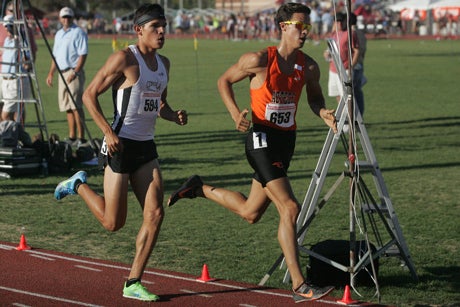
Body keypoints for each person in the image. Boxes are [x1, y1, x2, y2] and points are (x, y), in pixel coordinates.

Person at [167, 2, 337, 303]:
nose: (305, 32)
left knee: (250, 212)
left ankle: (197, 188)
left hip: (286, 141)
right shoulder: (258, 59)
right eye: (300, 26)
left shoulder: (309, 66)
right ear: (283, 27)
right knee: (290, 208)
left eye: (308, 27)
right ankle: (299, 285)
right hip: (260, 138)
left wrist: (322, 111)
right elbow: (224, 81)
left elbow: (314, 97)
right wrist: (235, 114)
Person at [53, 3, 188, 302]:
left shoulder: (165, 64)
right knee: (113, 223)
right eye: (156, 27)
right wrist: (108, 132)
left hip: (146, 148)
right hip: (120, 145)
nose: (163, 31)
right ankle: (78, 184)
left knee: (154, 213)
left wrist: (173, 115)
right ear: (139, 30)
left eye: (164, 25)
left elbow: (158, 104)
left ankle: (133, 282)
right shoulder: (124, 58)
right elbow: (89, 95)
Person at [46, 7, 87, 147]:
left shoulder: (78, 32)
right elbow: (55, 56)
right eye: (64, 17)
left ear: (72, 17)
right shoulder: (58, 34)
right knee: (67, 107)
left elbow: (83, 54)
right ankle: (72, 136)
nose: (66, 19)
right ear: (60, 18)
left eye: (68, 17)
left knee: (76, 106)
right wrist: (51, 73)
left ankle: (81, 138)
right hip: (61, 73)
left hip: (73, 72)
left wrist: (75, 72)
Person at [324, 12, 360, 103]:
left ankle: (350, 116)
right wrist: (326, 54)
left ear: (339, 23)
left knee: (347, 96)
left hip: (345, 69)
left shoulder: (350, 34)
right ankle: (343, 116)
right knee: (337, 94)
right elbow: (329, 49)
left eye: (335, 22)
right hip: (333, 69)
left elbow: (356, 50)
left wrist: (351, 66)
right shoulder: (334, 34)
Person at [350, 13, 367, 116]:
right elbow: (363, 51)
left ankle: (354, 117)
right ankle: (359, 116)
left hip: (352, 64)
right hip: (359, 64)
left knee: (350, 93)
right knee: (357, 92)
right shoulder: (361, 33)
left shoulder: (351, 33)